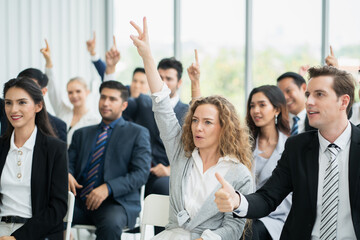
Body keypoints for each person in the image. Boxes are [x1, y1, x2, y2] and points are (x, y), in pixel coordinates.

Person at [130, 17, 253, 240]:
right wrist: (147, 55)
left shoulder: (239, 173)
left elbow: (234, 229)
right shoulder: (181, 153)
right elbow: (162, 106)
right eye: (195, 120)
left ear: (224, 129)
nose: (198, 127)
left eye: (207, 122)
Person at [215, 66, 360, 239]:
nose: (309, 102)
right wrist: (238, 201)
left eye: (319, 94)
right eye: (308, 95)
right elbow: (268, 197)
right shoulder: (297, 147)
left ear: (343, 102)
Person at [68, 80, 151, 240]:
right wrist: (67, 173)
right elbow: (68, 163)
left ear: (124, 105)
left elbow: (141, 174)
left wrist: (108, 187)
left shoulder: (137, 133)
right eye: (103, 97)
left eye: (112, 99)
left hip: (116, 203)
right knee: (50, 211)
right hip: (79, 201)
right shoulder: (81, 134)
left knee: (111, 224)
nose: (106, 103)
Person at [0, 78, 68, 239]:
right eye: (8, 103)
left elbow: (58, 207)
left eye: (22, 102)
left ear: (38, 106)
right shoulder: (1, 147)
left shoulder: (55, 149)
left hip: (37, 233)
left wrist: (18, 237)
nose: (13, 109)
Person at [245, 85, 291, 240]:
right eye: (252, 106)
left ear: (277, 110)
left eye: (262, 105)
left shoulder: (290, 146)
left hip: (276, 216)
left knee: (251, 232)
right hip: (246, 212)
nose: (256, 110)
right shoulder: (244, 144)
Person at [40, 39, 101, 145]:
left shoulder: (95, 120)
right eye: (70, 92)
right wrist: (48, 61)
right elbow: (53, 89)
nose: (74, 95)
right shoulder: (63, 111)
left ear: (87, 92)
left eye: (78, 91)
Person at [86, 33, 149, 98]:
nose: (137, 86)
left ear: (149, 87)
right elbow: (109, 82)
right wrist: (93, 53)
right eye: (135, 81)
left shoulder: (153, 104)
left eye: (142, 82)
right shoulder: (122, 94)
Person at [16, 68, 67, 143]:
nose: (25, 92)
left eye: (31, 87)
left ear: (43, 91)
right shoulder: (9, 118)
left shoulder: (58, 126)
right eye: (21, 87)